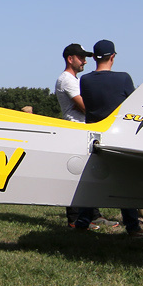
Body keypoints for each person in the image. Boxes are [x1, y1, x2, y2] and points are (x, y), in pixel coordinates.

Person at [80, 39, 143, 236]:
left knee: (92, 181)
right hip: (118, 137)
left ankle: (83, 221)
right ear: (113, 57)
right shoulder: (123, 78)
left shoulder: (85, 80)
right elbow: (133, 106)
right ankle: (133, 226)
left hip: (92, 137)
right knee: (123, 183)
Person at [56, 43, 106, 230]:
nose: (85, 61)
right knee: (77, 176)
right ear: (70, 59)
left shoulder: (74, 80)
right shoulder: (67, 80)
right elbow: (83, 106)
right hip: (75, 131)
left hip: (81, 130)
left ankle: (94, 215)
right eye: (81, 57)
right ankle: (75, 220)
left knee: (88, 174)